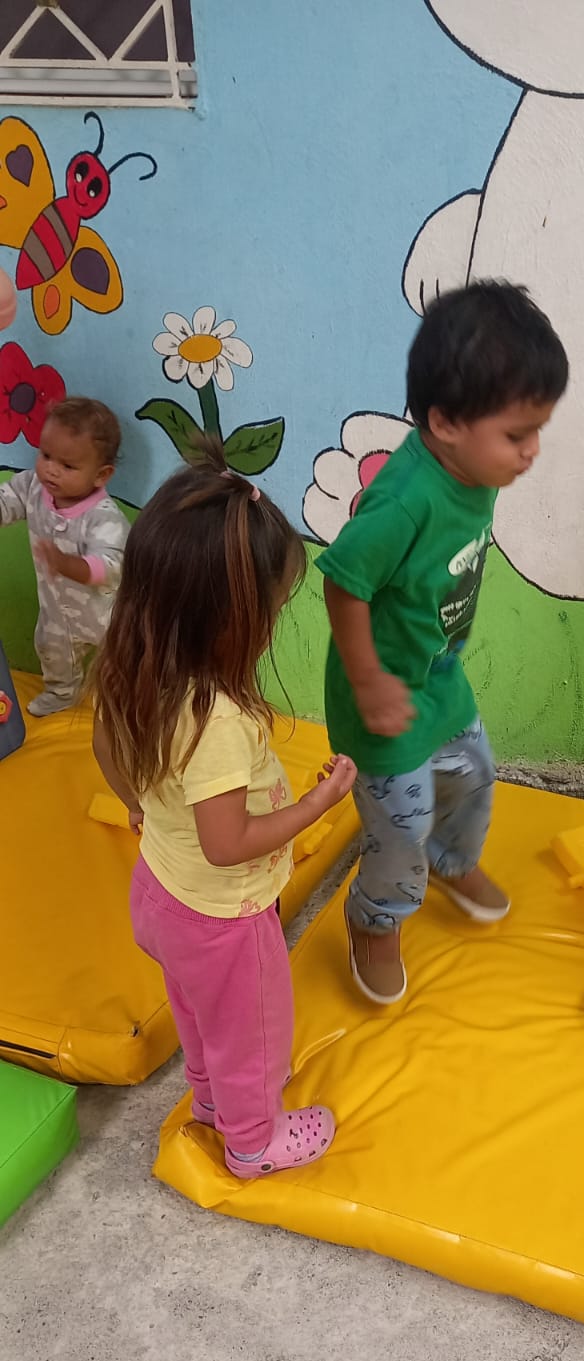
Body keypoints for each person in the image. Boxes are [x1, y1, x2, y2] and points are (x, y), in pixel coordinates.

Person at [91, 441, 357, 1177]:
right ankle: (252, 1142)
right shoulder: (218, 720)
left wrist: (139, 807)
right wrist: (318, 804)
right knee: (254, 1035)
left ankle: (210, 1100)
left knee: (200, 1013)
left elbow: (106, 746)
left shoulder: (133, 662)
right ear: (231, 618)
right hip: (223, 918)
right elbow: (228, 842)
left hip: (160, 892)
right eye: (270, 610)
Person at [317, 279, 569, 1003]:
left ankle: (453, 863)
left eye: (537, 430)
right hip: (381, 698)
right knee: (402, 825)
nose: (532, 452)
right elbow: (343, 584)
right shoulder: (405, 503)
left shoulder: (473, 467)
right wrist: (368, 680)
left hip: (437, 677)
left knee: (473, 774)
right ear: (447, 422)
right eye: (518, 435)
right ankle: (375, 916)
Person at [0, 396, 129, 717]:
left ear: (101, 475)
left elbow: (110, 566)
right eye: (46, 455)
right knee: (51, 648)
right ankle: (61, 693)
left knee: (122, 660)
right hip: (56, 610)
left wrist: (66, 564)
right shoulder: (33, 486)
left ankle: (124, 701)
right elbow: (9, 498)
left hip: (106, 615)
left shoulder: (105, 518)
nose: (51, 470)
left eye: (67, 466)